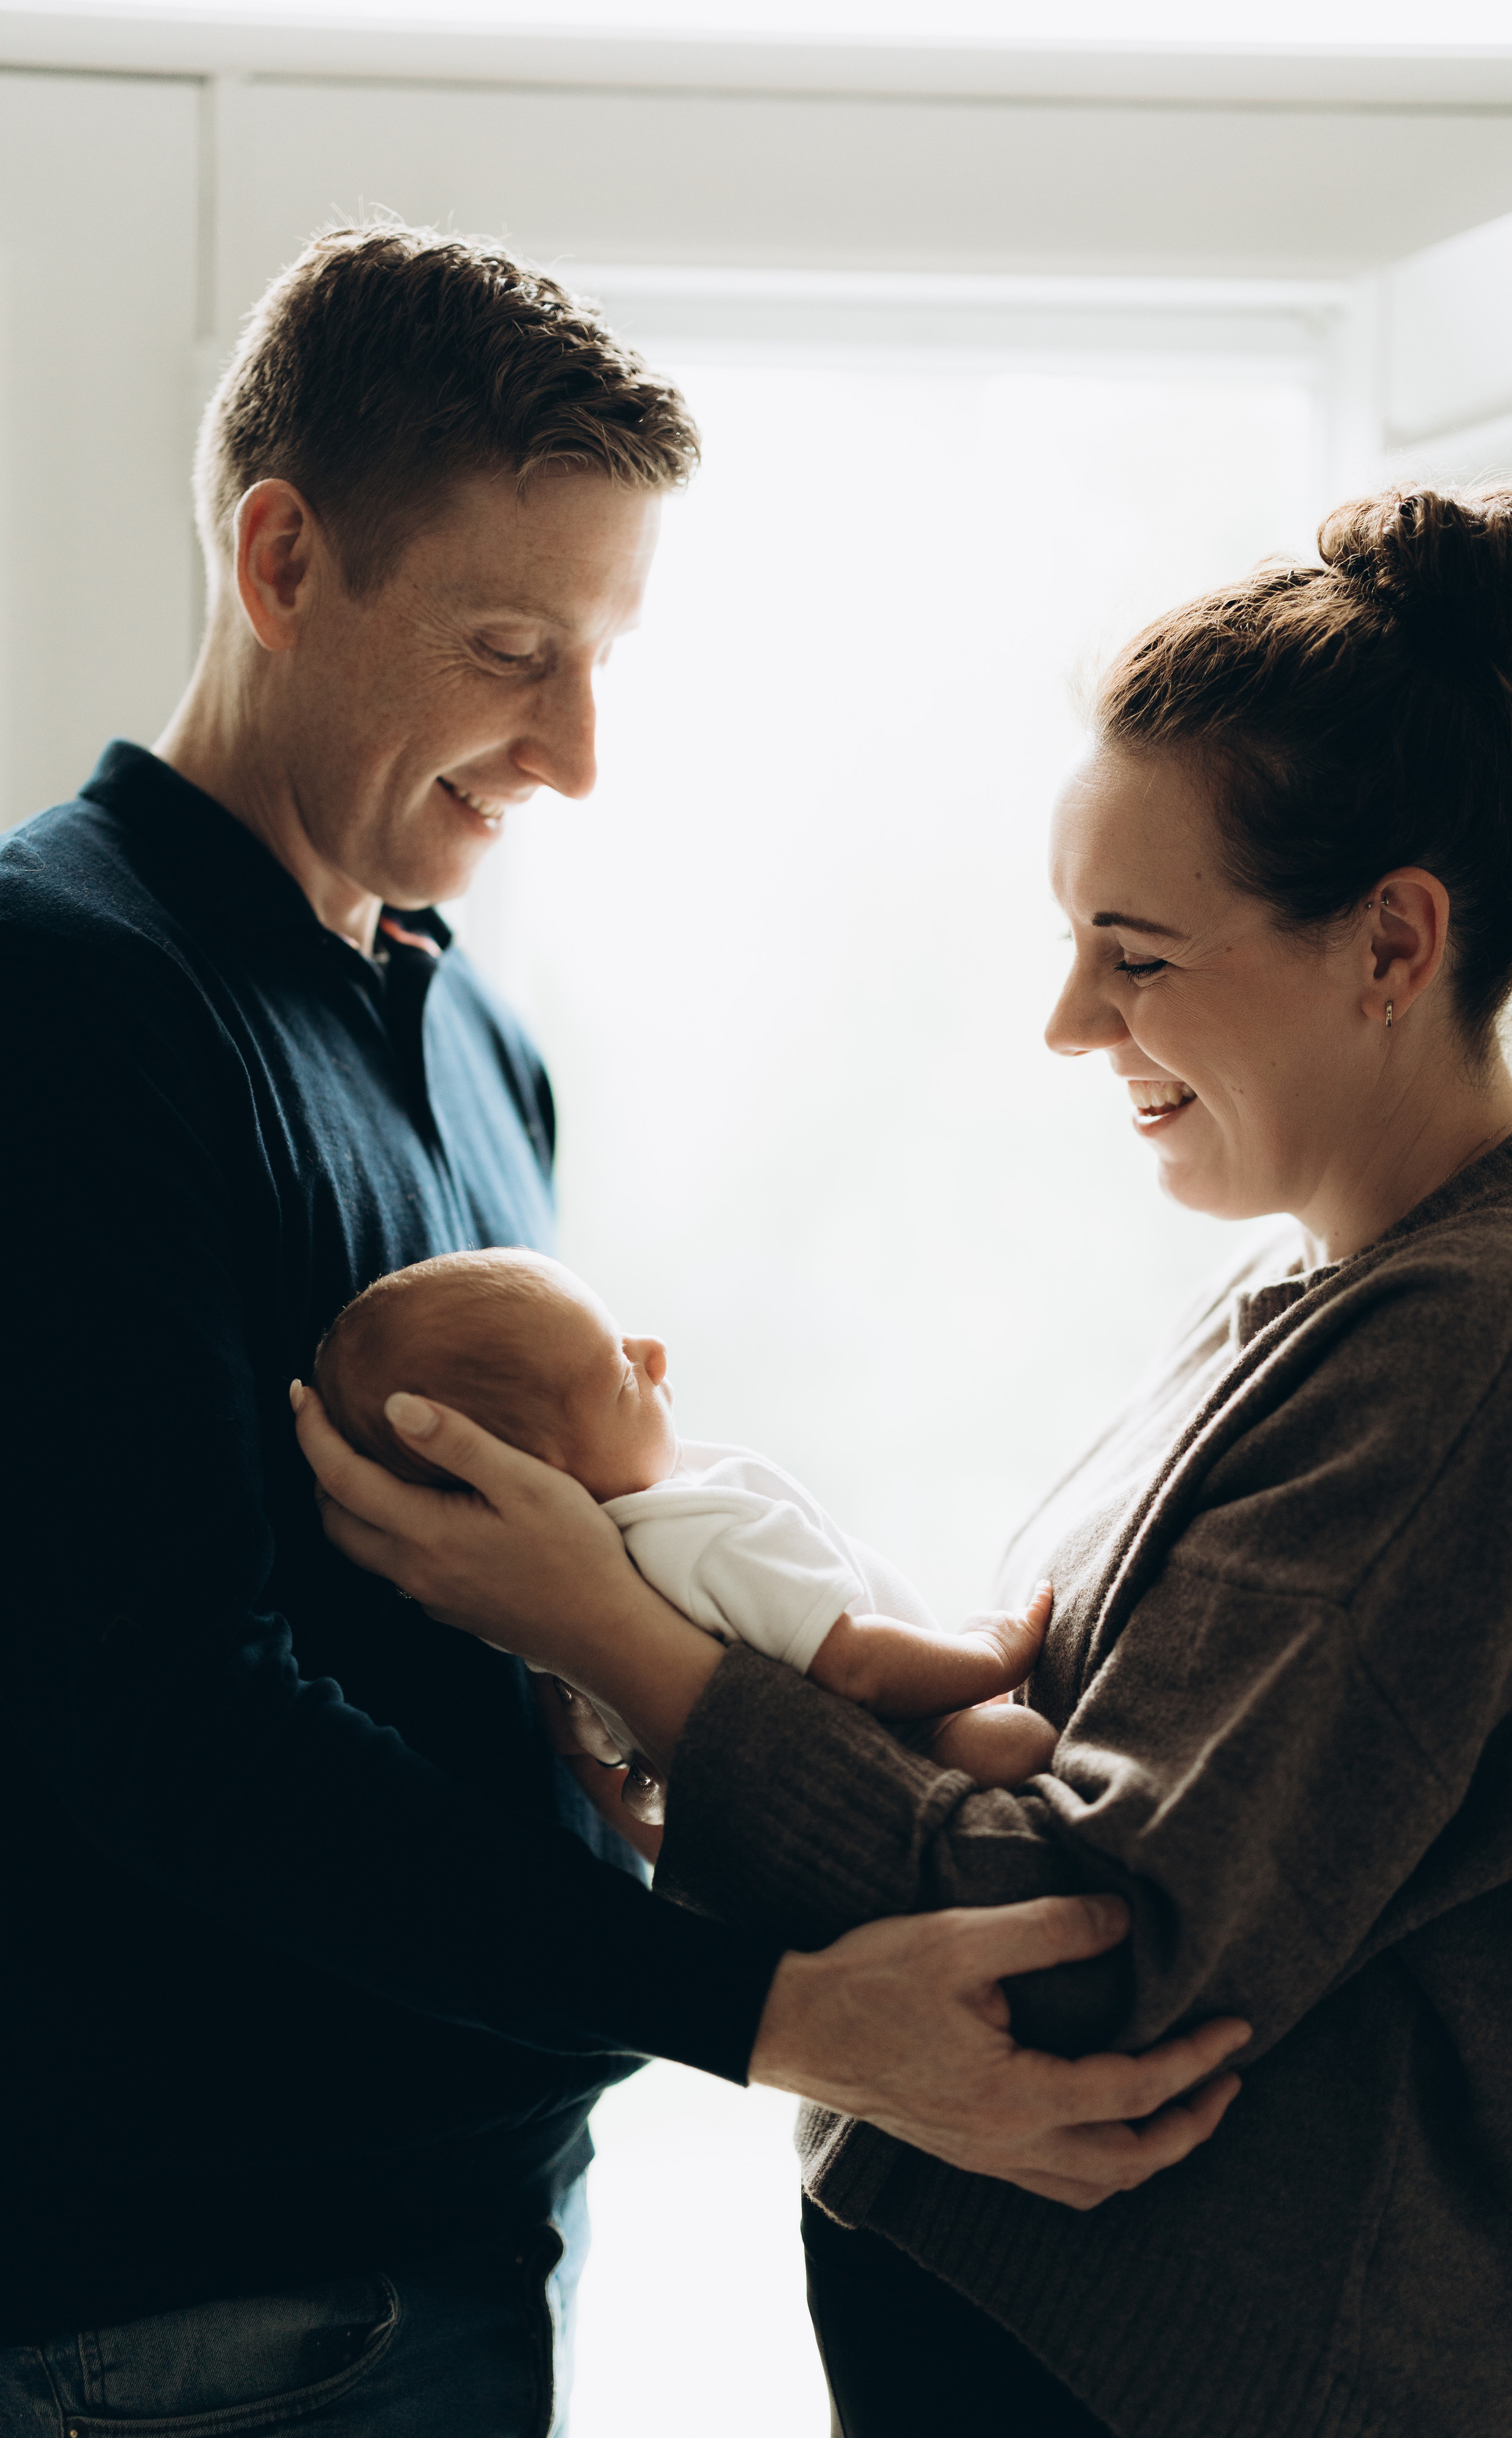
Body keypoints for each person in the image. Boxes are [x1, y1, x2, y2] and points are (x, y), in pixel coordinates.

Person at [0, 220, 1247, 2438]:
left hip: (464, 2228)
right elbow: (160, 1717)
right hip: (207, 2301)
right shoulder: (66, 999)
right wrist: (780, 2012)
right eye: (508, 647)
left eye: (602, 656)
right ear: (284, 560)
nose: (572, 751)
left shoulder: (478, 1037)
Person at [296, 481, 1512, 2437]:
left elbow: (1087, 1952)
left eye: (1136, 951)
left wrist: (623, 1633)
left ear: (1391, 941)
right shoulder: (1339, 1287)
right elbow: (1068, 1787)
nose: (1069, 1017)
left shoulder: (1497, 1333)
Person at [314, 1246, 1061, 1792]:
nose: (654, 1354)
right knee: (1016, 1741)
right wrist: (988, 1657)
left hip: (767, 1803)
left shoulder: (538, 1603)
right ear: (538, 1475)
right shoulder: (694, 1535)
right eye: (617, 1374)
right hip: (911, 1745)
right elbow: (856, 1666)